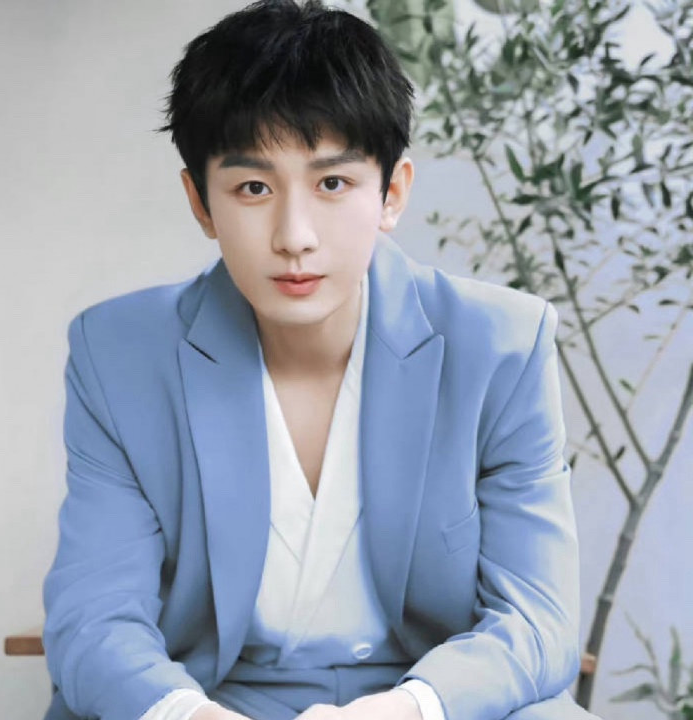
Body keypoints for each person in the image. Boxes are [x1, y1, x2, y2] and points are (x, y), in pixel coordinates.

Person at [41, 1, 602, 719]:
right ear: (202, 203)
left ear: (391, 193)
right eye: (253, 188)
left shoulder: (503, 345)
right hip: (210, 699)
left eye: (332, 183)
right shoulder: (118, 354)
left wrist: (405, 711)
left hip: (433, 702)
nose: (294, 236)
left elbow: (537, 619)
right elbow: (94, 620)